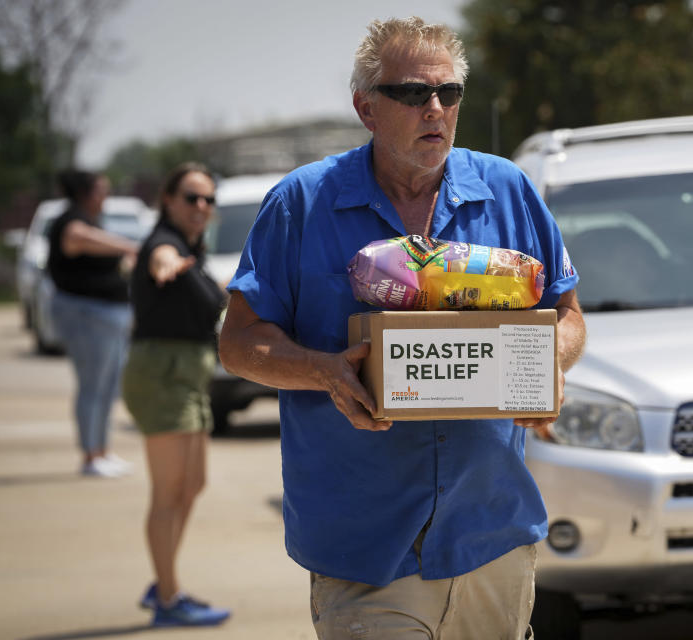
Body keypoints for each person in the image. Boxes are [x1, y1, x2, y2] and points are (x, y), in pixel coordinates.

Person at [218, 16, 585, 640]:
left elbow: (567, 313)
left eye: (449, 94)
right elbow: (239, 341)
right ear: (366, 108)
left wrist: (546, 362)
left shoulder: (510, 191)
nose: (435, 109)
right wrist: (324, 371)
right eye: (413, 94)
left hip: (490, 533)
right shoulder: (302, 204)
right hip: (364, 545)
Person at [121, 163, 231, 627]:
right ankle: (168, 598)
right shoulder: (165, 245)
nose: (201, 207)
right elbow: (159, 260)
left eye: (208, 199)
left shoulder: (193, 249)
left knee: (192, 485)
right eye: (191, 198)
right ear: (167, 200)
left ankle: (161, 581)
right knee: (167, 495)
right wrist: (167, 266)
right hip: (162, 376)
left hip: (189, 375)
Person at [47, 170, 138, 478]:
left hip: (107, 316)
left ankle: (102, 450)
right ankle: (90, 455)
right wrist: (128, 246)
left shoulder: (92, 219)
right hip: (86, 315)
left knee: (108, 386)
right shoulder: (71, 220)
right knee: (92, 386)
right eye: (101, 190)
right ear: (85, 192)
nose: (105, 197)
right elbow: (77, 238)